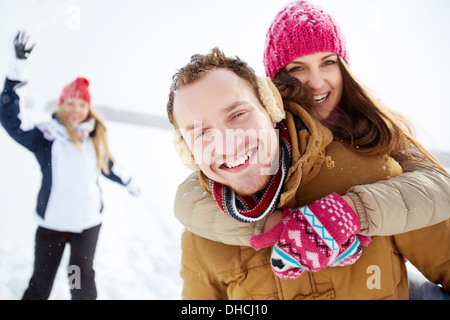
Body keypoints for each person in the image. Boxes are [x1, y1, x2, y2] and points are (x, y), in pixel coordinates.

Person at [167, 2, 450, 300]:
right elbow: (192, 200)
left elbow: (437, 185)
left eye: (328, 62)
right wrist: (266, 226)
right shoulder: (204, 225)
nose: (315, 82)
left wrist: (354, 211)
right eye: (298, 68)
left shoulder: (375, 151)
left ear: (267, 105)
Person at [0, 31, 139, 300]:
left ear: (88, 108)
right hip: (52, 224)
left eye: (81, 104)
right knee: (41, 282)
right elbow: (11, 120)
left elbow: (108, 166)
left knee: (79, 280)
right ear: (62, 105)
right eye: (70, 103)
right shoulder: (45, 136)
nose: (76, 109)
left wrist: (130, 183)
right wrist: (18, 69)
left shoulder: (94, 137)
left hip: (86, 225)